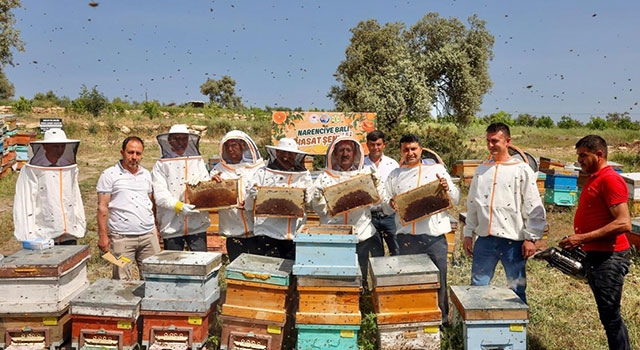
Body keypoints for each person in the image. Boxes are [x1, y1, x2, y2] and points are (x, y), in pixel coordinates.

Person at [560, 135, 631, 350]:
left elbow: (624, 223)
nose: (579, 160)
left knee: (611, 317)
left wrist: (581, 238)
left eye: (583, 155)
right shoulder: (594, 178)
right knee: (607, 315)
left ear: (599, 155)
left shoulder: (610, 179)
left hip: (609, 258)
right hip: (597, 255)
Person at [463, 122, 546, 304]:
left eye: (495, 141)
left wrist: (531, 238)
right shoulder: (482, 169)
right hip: (485, 239)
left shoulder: (521, 169)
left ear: (507, 141)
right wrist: (468, 234)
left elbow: (533, 205)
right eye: (488, 141)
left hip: (513, 241)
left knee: (516, 288)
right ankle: (478, 328)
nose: (491, 145)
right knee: (477, 286)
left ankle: (517, 329)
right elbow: (473, 204)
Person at [382, 133, 460, 325]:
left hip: (434, 238)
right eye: (406, 149)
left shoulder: (437, 169)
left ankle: (441, 321)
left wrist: (447, 189)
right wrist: (390, 203)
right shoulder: (395, 175)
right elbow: (384, 205)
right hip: (407, 239)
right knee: (410, 281)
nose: (410, 153)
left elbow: (456, 199)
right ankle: (414, 317)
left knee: (439, 280)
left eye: (413, 149)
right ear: (401, 151)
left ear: (421, 150)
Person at [309, 136, 384, 281]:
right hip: (332, 234)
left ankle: (360, 298)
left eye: (348, 150)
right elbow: (320, 210)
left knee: (359, 274)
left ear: (355, 154)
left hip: (360, 233)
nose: (345, 154)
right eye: (341, 150)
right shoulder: (324, 177)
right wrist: (317, 198)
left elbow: (377, 203)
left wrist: (376, 185)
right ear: (334, 153)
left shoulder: (364, 174)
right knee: (334, 276)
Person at [97, 136, 161, 280]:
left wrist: (155, 228)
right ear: (122, 152)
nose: (134, 157)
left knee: (153, 278)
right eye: (130, 152)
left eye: (138, 153)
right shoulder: (109, 175)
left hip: (148, 237)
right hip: (122, 239)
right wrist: (103, 236)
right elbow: (102, 207)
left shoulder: (146, 174)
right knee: (122, 280)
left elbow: (151, 204)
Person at [13, 128, 85, 245]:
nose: (60, 150)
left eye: (62, 146)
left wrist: (79, 224)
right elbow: (25, 201)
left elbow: (75, 198)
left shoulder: (69, 168)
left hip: (69, 235)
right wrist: (27, 235)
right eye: (55, 146)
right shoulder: (32, 170)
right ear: (45, 147)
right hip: (43, 236)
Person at [244, 138, 312, 260]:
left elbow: (311, 205)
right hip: (266, 233)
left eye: (290, 153)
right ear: (276, 153)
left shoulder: (304, 176)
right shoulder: (262, 173)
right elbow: (247, 206)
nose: (286, 157)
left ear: (296, 155)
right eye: (282, 153)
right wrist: (252, 195)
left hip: (293, 234)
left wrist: (308, 197)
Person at [152, 124, 210, 252]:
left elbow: (207, 187)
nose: (180, 142)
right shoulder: (160, 165)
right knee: (175, 265)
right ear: (169, 140)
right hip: (171, 225)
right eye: (176, 139)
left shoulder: (197, 161)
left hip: (197, 223)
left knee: (200, 263)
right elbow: (160, 195)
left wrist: (203, 183)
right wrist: (179, 206)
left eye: (184, 139)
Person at [210, 130, 265, 261]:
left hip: (257, 231)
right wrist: (212, 184)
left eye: (234, 145)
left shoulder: (260, 168)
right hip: (233, 231)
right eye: (227, 146)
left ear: (243, 146)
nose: (230, 149)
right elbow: (208, 198)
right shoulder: (218, 170)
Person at [363, 130, 400, 256]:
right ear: (367, 145)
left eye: (378, 144)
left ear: (384, 145)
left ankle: (396, 275)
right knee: (376, 255)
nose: (375, 148)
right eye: (372, 144)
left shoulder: (392, 164)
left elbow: (397, 187)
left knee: (397, 250)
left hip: (390, 215)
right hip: (369, 216)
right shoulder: (360, 165)